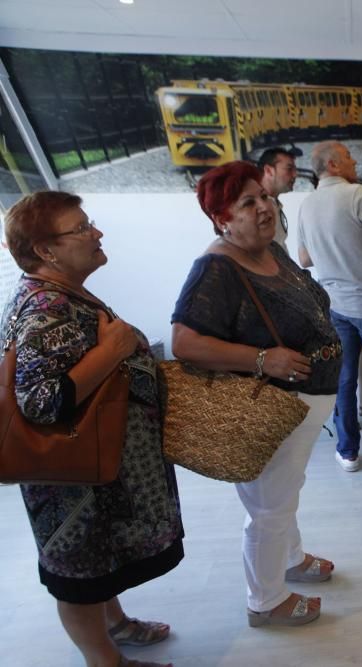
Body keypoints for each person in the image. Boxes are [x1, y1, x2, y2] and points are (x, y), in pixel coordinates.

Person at [2, 191, 184, 667]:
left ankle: (116, 624)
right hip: (71, 485)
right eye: (81, 228)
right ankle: (106, 661)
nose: (96, 233)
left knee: (98, 563)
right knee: (79, 578)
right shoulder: (46, 309)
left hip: (92, 472)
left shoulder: (61, 294)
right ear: (46, 250)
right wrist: (114, 350)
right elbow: (41, 403)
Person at [171, 161, 341, 627]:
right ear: (221, 218)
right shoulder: (216, 267)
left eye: (263, 197)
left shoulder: (269, 251)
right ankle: (266, 601)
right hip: (270, 406)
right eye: (248, 203)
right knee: (270, 506)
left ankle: (291, 559)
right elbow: (184, 343)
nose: (264, 207)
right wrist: (264, 359)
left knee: (284, 493)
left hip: (303, 405)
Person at [297, 141, 362, 474]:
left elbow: (305, 259)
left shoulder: (307, 205)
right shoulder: (358, 195)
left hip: (334, 306)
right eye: (349, 157)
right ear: (333, 164)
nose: (355, 161)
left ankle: (347, 452)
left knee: (344, 379)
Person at [257, 147, 298, 252]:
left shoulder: (274, 203)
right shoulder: (256, 209)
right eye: (289, 169)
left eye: (295, 170)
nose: (295, 175)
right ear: (269, 171)